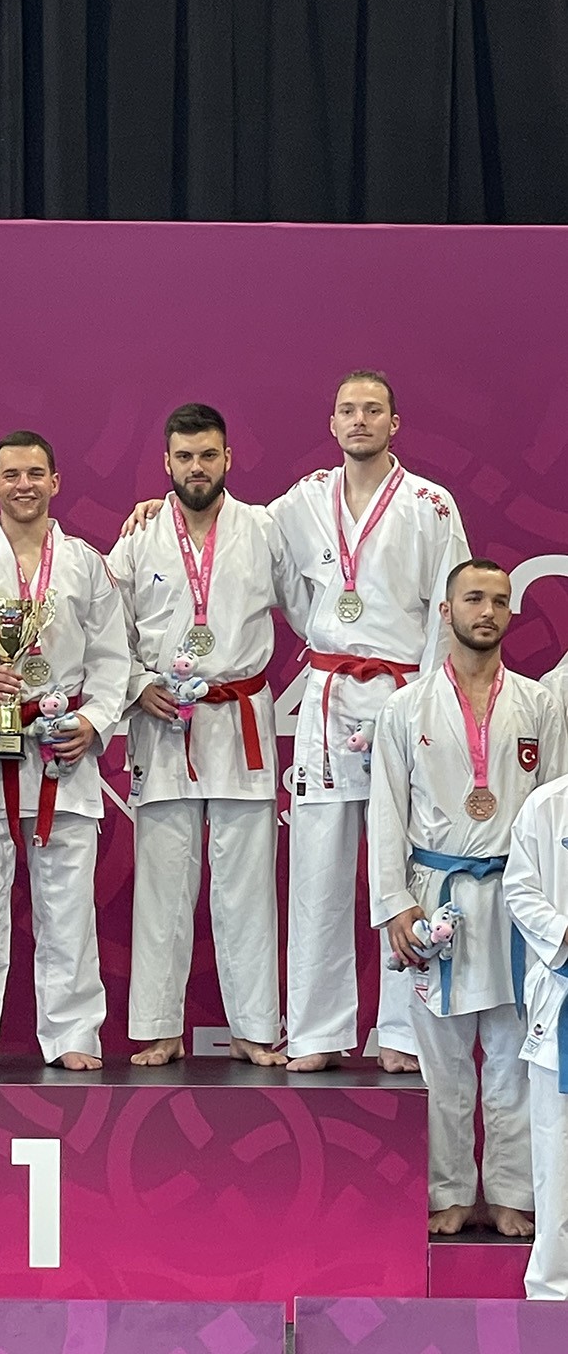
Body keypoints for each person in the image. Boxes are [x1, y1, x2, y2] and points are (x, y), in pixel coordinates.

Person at [268, 371, 471, 1071]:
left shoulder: (429, 505)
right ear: (332, 424)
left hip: (403, 696)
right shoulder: (303, 500)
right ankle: (317, 1033)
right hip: (328, 696)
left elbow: (451, 607)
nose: (360, 420)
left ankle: (404, 1034)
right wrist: (163, 503)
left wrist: (425, 699)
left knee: (406, 867)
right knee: (317, 867)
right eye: (348, 410)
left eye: (373, 409)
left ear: (394, 423)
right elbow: (250, 547)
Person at [369, 559, 567, 1236]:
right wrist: (395, 903)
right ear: (445, 611)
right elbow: (386, 811)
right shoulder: (405, 707)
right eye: (474, 598)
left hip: (518, 901)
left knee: (514, 1058)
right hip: (437, 898)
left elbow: (558, 812)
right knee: (441, 1063)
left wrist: (556, 907)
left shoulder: (539, 705)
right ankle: (447, 1191)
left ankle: (512, 1192)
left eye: (500, 601)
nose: (488, 611)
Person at [108, 403, 308, 1067]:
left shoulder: (263, 529)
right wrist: (137, 684)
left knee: (247, 886)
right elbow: (106, 631)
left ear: (228, 459)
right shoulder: (140, 536)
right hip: (164, 721)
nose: (197, 467)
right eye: (185, 457)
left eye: (208, 455)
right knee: (162, 885)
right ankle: (158, 1027)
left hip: (239, 716)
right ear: (166, 463)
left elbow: (311, 612)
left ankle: (254, 1026)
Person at [0, 431, 129, 1071]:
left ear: (55, 482)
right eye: (12, 475)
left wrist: (93, 723)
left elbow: (113, 659)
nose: (25, 485)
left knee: (69, 908)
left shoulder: (86, 563)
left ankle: (74, 1033)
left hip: (60, 749)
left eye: (36, 474)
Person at [503, 765, 568, 1296]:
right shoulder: (547, 805)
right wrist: (566, 934)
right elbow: (520, 890)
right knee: (555, 1152)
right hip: (562, 992)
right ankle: (551, 1290)